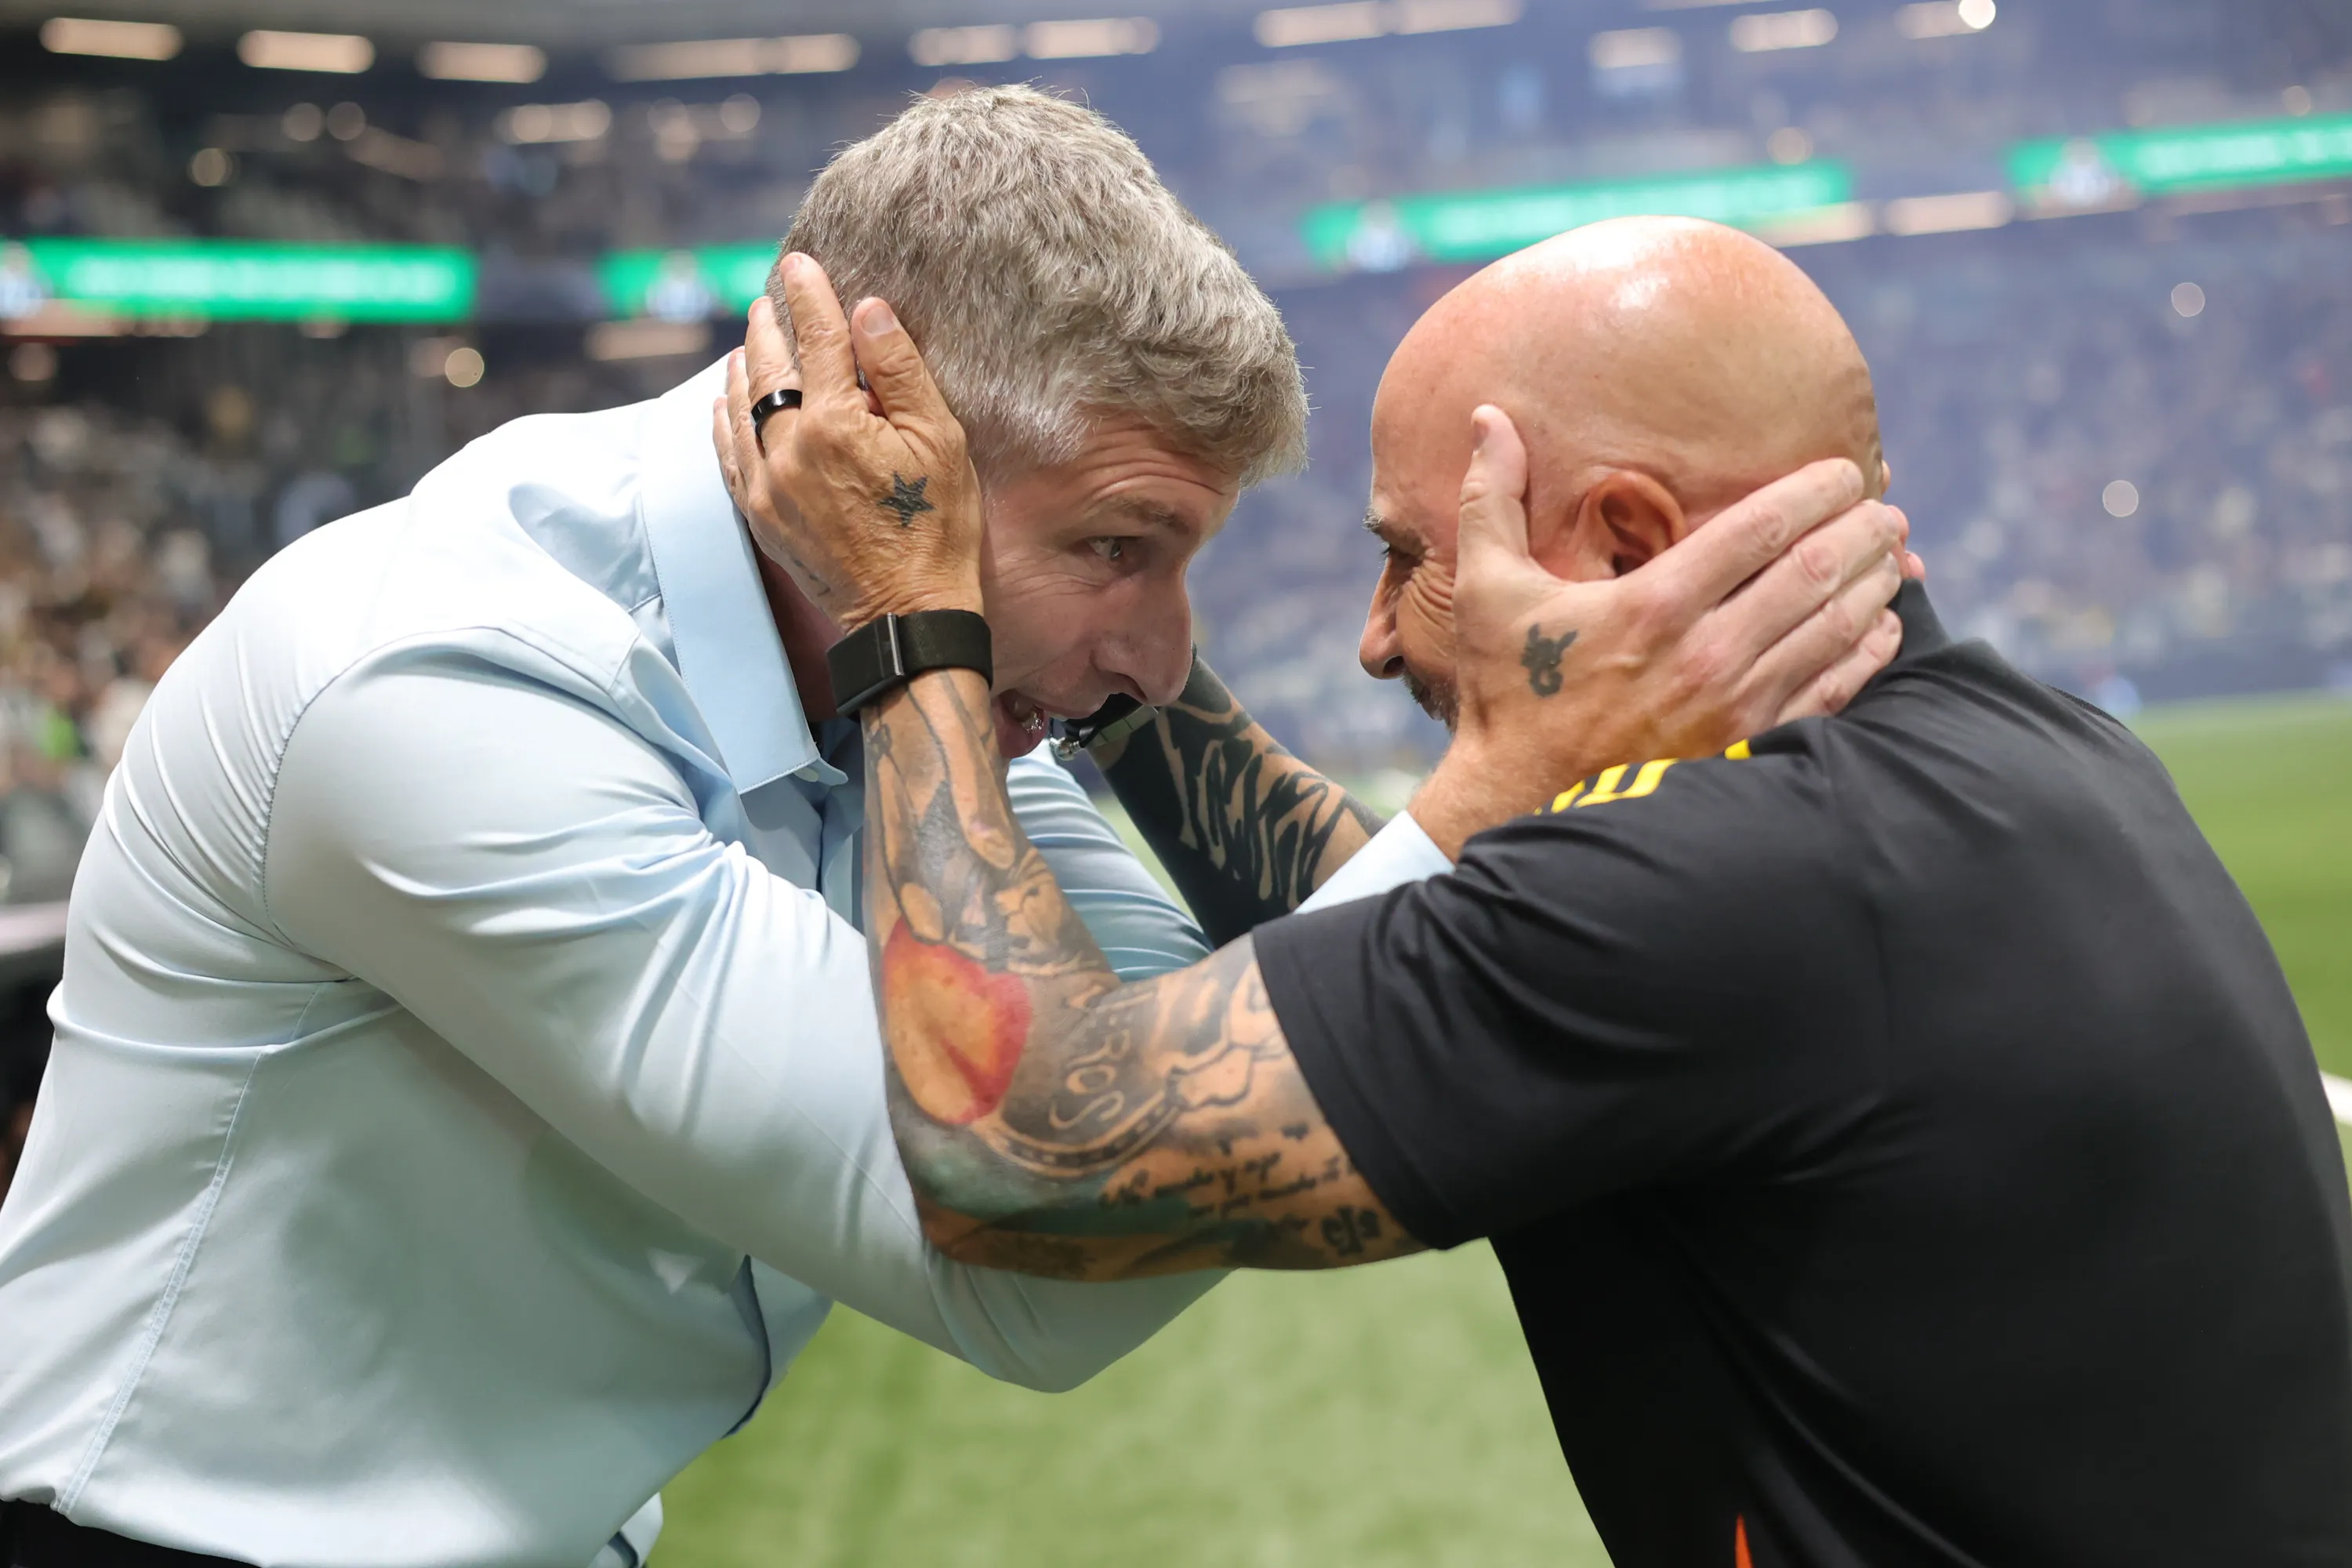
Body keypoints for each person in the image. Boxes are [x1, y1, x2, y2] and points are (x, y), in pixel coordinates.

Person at [0, 92, 1905, 1567]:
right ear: (869, 460)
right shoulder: (439, 691)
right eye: (1114, 547)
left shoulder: (929, 691)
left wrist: (1059, 649)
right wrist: (1492, 778)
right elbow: (1032, 1256)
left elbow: (1176, 1085)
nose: (1165, 648)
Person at [731, 214, 2352, 1566]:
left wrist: (912, 615)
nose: (1375, 638)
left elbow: (1026, 1143)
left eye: (1410, 555)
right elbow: (1424, 922)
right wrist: (1104, 633)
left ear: (1618, 535)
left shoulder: (1729, 889)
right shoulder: (2021, 760)